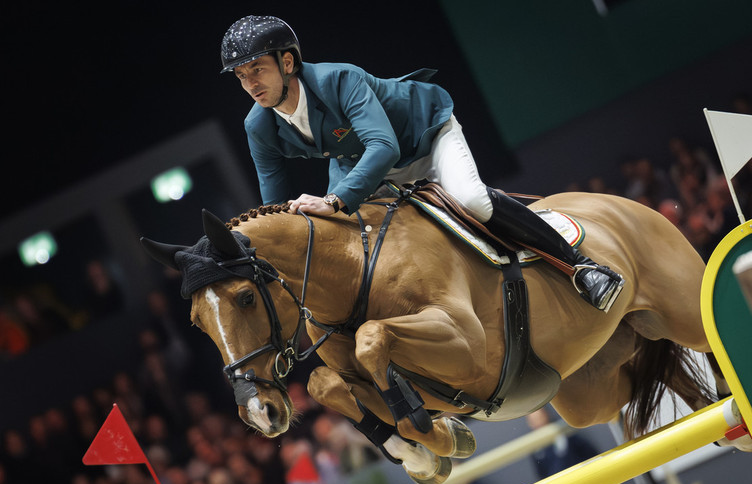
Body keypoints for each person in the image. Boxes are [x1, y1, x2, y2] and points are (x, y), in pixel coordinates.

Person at [219, 15, 624, 311]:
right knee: (342, 240)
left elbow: (384, 147)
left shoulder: (339, 80)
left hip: (423, 137)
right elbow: (272, 204)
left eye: (258, 69)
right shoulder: (258, 125)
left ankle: (582, 267)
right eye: (240, 76)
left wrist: (334, 201)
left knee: (472, 199)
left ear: (288, 63)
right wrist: (270, 245)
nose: (250, 84)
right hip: (358, 163)